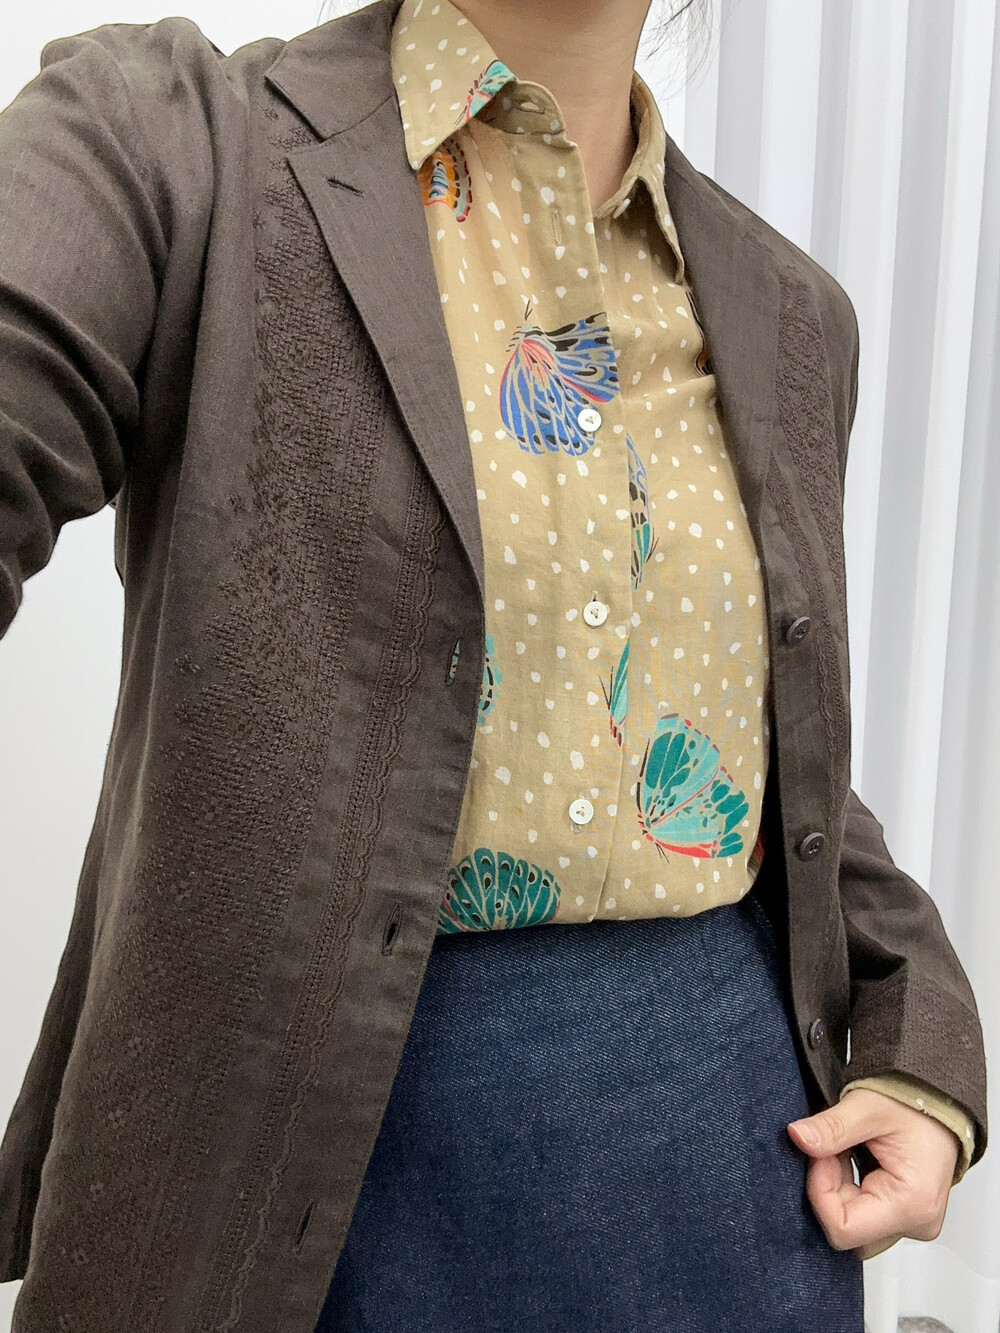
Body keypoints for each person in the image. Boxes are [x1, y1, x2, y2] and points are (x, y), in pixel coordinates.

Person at [0, 0, 987, 1328]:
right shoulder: (176, 146)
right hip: (291, 1209)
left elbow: (783, 764)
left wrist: (922, 1047)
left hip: (738, 1194)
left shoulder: (792, 312)